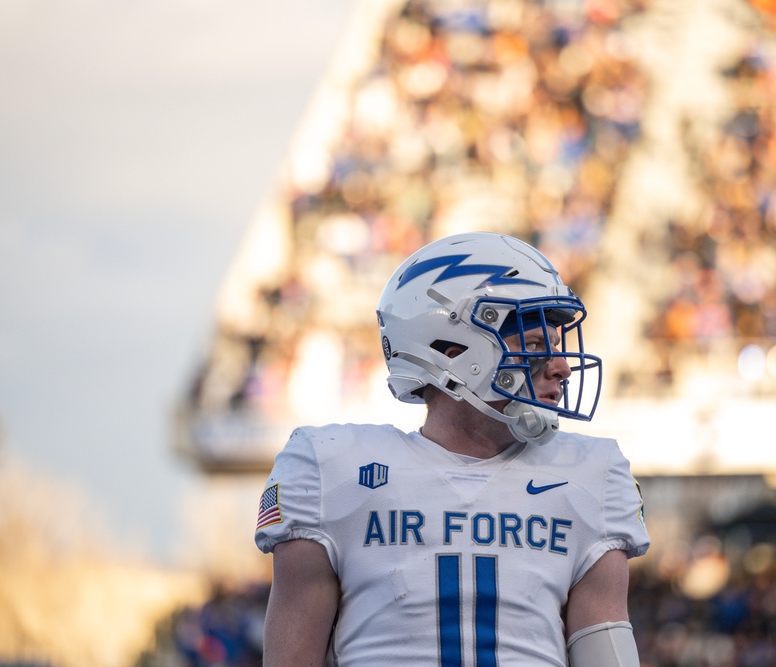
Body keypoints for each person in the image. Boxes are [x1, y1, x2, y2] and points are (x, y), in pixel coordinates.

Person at [255, 232, 650, 666]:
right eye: (536, 344)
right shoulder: (330, 469)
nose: (561, 366)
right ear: (450, 348)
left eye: (556, 345)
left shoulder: (591, 475)